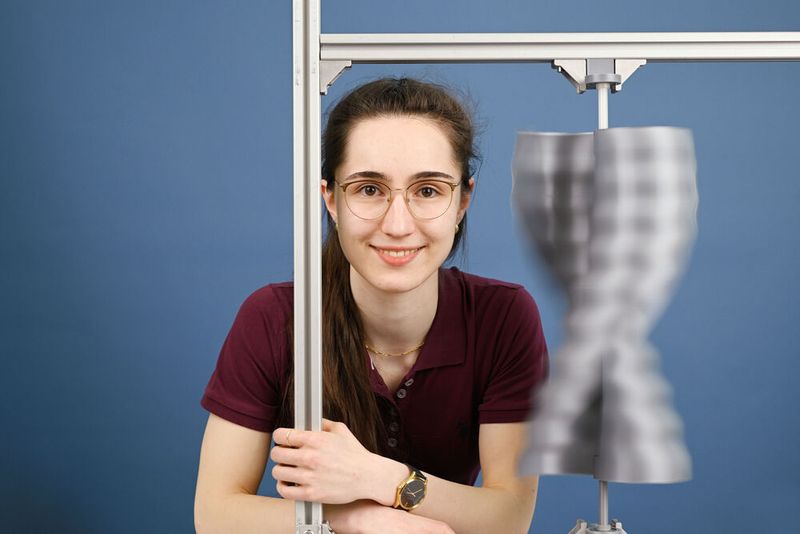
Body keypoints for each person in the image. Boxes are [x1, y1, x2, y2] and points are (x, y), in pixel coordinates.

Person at [194, 77, 548, 534]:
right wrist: (361, 521)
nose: (398, 225)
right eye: (368, 189)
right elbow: (216, 515)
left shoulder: (505, 318)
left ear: (462, 201)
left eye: (427, 191)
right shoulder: (274, 318)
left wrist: (379, 478)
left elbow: (509, 518)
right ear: (331, 199)